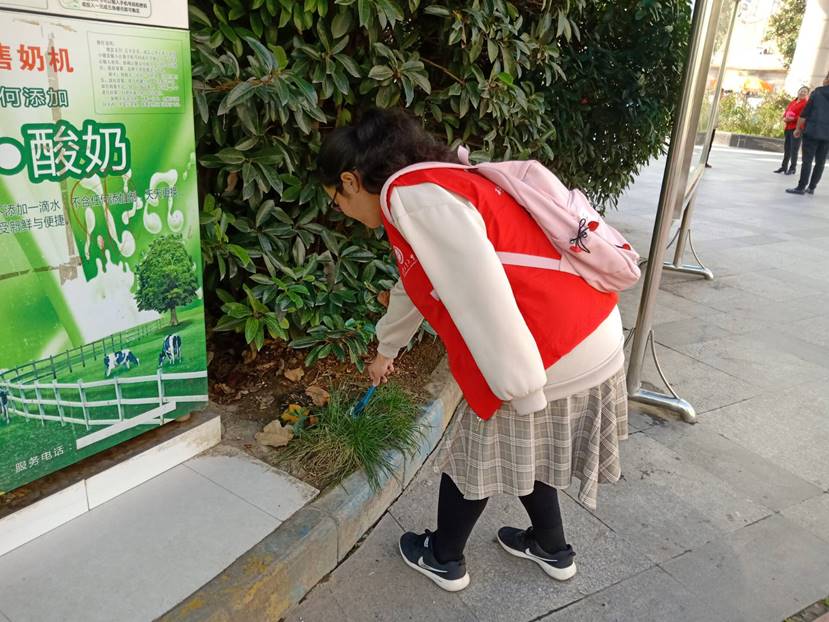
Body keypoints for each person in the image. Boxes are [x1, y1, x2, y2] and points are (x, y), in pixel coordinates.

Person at [317, 108, 628, 592]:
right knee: (528, 446)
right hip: (588, 329)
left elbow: (483, 296)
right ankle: (551, 547)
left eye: (336, 201)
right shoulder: (430, 183)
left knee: (472, 457)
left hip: (550, 350)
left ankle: (444, 557)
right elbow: (414, 285)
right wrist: (387, 350)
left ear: (350, 181)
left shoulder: (414, 199)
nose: (342, 213)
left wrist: (520, 390)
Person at [787, 70, 829, 195]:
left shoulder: (817, 92)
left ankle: (801, 187)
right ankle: (811, 187)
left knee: (807, 160)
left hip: (812, 132)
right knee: (821, 162)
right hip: (827, 136)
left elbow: (805, 113)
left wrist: (798, 129)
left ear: (827, 79)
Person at [775, 86, 810, 175]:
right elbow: (786, 111)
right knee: (787, 148)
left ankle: (792, 168)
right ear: (798, 91)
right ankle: (784, 167)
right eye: (801, 91)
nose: (802, 93)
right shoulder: (793, 102)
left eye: (805, 92)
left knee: (794, 149)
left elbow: (803, 116)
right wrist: (785, 118)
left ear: (807, 94)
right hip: (788, 127)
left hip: (797, 129)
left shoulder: (805, 104)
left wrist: (792, 119)